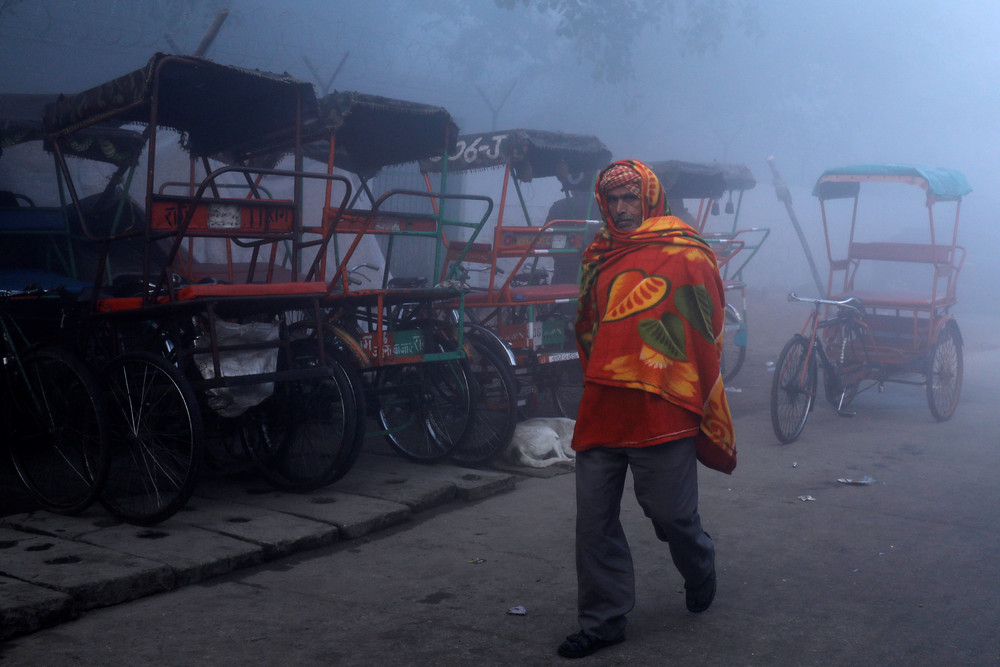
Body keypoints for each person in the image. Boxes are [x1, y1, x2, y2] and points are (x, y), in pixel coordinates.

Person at [558, 159, 737, 659]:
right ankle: (603, 621)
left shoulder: (686, 251)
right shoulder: (598, 252)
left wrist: (674, 370)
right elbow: (589, 322)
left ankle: (700, 564)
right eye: (613, 200)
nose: (621, 208)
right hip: (604, 403)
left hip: (664, 403)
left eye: (630, 198)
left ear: (651, 198)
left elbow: (708, 315)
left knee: (672, 516)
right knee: (593, 523)